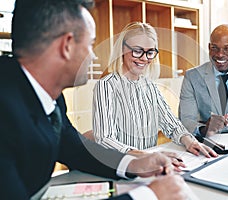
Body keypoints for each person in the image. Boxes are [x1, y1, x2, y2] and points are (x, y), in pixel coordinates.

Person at [0, 0, 188, 199]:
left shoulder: (46, 95)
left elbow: (76, 150)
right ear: (67, 45)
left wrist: (133, 164)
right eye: (90, 44)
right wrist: (149, 195)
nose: (93, 57)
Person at [92, 21, 217, 162]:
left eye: (150, 52)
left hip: (150, 166)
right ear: (122, 49)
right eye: (137, 51)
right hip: (122, 165)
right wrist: (145, 156)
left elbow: (172, 125)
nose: (144, 58)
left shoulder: (150, 86)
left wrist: (190, 141)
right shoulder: (106, 86)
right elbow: (104, 139)